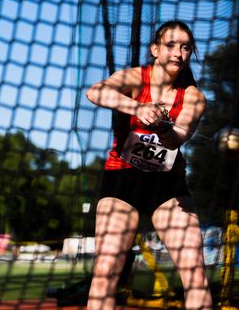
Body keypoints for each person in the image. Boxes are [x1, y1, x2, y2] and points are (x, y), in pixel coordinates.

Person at [85, 20, 213, 310]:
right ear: (155, 49)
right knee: (106, 273)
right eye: (170, 45)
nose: (178, 54)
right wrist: (138, 108)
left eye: (185, 48)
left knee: (195, 275)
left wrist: (164, 128)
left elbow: (176, 140)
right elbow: (94, 92)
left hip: (167, 188)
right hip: (122, 182)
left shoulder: (193, 97)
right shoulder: (134, 78)